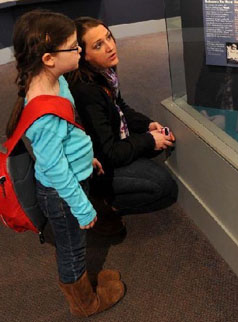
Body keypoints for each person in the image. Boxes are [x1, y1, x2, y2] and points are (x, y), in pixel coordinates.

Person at [5, 10, 124, 317]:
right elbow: (56, 168)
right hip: (61, 195)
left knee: (75, 240)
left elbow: (69, 133)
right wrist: (82, 207)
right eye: (73, 47)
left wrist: (87, 157)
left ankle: (84, 289)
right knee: (72, 249)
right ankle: (85, 302)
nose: (80, 51)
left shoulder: (56, 81)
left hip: (73, 180)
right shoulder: (43, 112)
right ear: (48, 58)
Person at [67, 17, 178, 231]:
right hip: (96, 166)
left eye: (108, 37)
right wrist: (146, 140)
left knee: (158, 144)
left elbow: (119, 107)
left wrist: (148, 125)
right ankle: (99, 205)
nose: (110, 47)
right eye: (98, 45)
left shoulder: (104, 72)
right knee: (162, 185)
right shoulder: (86, 91)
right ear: (84, 55)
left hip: (112, 145)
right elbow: (107, 153)